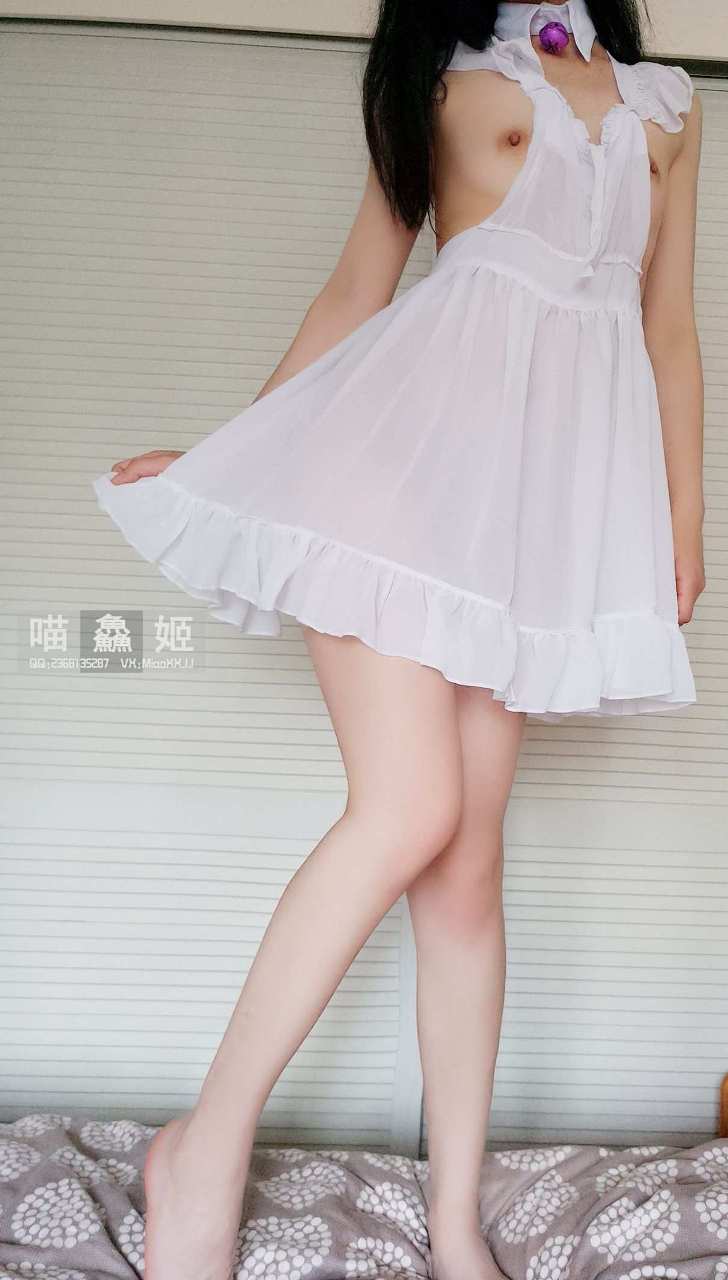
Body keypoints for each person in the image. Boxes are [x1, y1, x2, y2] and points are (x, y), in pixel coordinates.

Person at [91, 0, 706, 1276]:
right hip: (392, 480)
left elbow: (665, 330)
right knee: (409, 806)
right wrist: (228, 457)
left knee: (466, 861)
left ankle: (453, 1217)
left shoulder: (666, 105)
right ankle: (202, 1149)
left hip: (524, 526)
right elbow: (356, 288)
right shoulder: (437, 72)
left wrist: (682, 517)